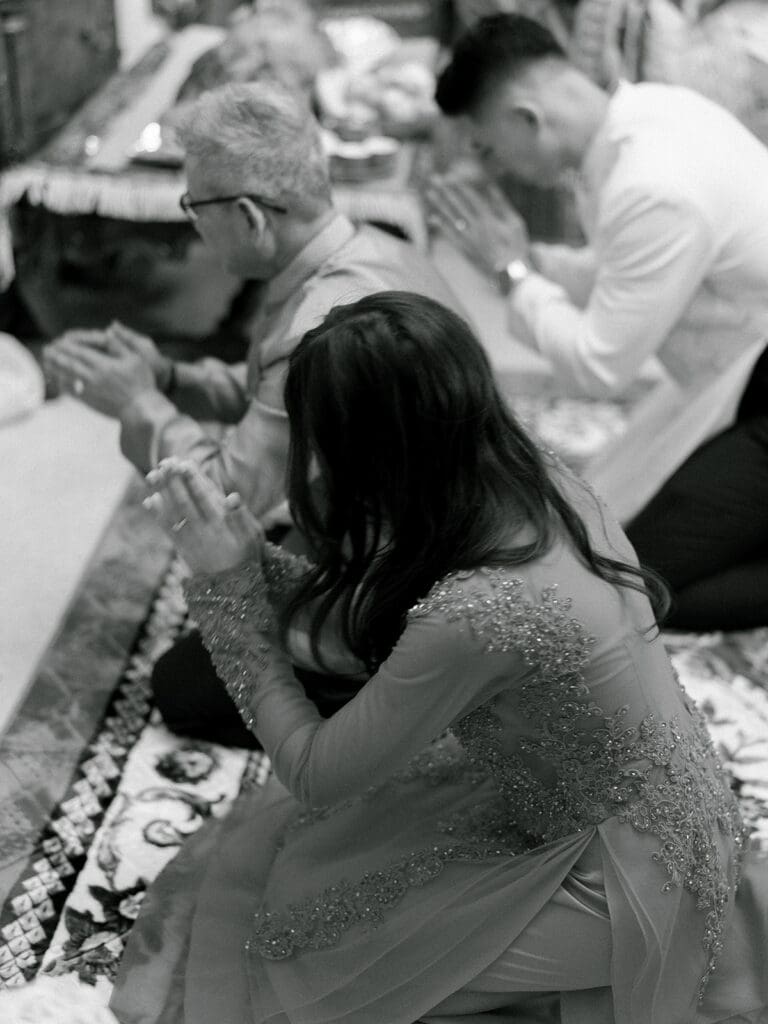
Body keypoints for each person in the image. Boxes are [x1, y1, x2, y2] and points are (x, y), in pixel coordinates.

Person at [110, 292, 766, 1024]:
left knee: (311, 960)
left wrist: (227, 587)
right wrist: (253, 564)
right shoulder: (529, 479)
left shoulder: (485, 611)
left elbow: (316, 772)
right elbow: (385, 615)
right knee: (317, 875)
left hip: (631, 887)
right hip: (660, 815)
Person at [43, 80, 460, 747]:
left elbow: (226, 492)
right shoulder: (370, 251)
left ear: (249, 216)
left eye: (194, 205)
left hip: (409, 584)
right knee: (233, 611)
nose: (192, 222)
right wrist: (171, 377)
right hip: (422, 530)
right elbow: (279, 406)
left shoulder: (323, 318)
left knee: (183, 691)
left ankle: (414, 708)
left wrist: (138, 403)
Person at [427, 13, 768, 632]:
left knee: (636, 588)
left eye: (486, 144)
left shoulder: (653, 182)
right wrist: (528, 262)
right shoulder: (652, 112)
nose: (494, 165)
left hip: (757, 388)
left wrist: (511, 272)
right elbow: (626, 276)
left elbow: (600, 365)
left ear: (526, 118)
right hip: (737, 367)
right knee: (598, 523)